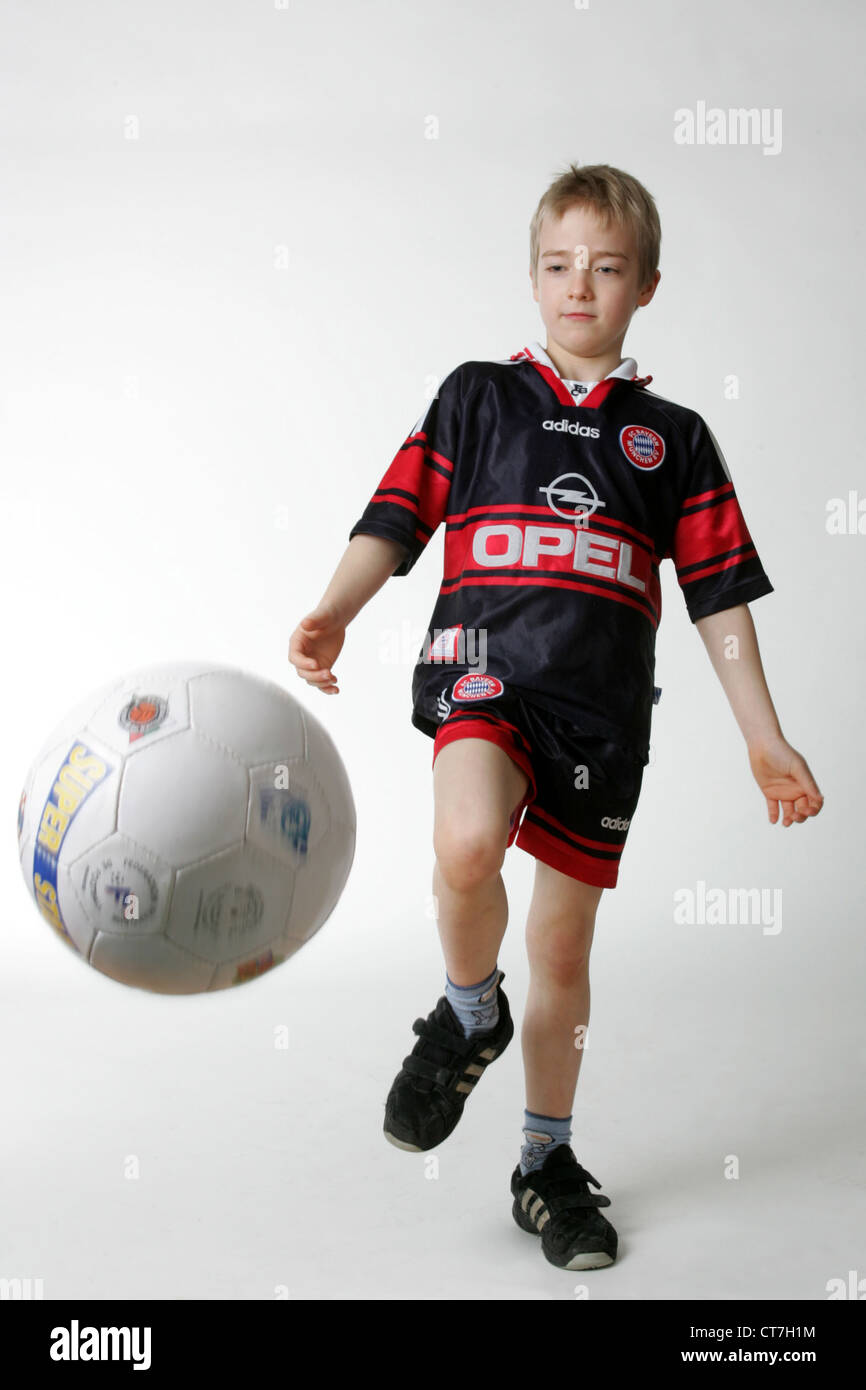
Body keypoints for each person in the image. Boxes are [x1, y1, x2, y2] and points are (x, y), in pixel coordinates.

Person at [287, 162, 824, 1272]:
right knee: (467, 841)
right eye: (557, 263)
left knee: (561, 946)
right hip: (482, 669)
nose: (579, 284)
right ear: (531, 277)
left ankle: (544, 1163)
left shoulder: (668, 438)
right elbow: (394, 516)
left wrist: (760, 735)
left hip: (602, 715)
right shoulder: (476, 396)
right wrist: (335, 609)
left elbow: (717, 596)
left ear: (647, 286)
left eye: (606, 266)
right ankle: (465, 1007)